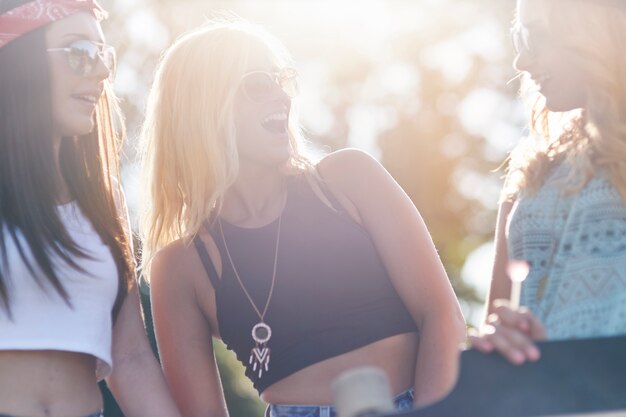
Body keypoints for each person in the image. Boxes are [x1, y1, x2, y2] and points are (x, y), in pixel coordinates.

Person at [139, 18, 466, 417]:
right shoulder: (180, 266)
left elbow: (442, 316)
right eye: (259, 83)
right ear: (203, 105)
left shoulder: (348, 179)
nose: (282, 96)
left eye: (283, 80)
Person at [0, 1, 181, 416]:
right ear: (16, 59)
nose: (101, 72)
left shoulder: (105, 199)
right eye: (80, 52)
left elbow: (132, 359)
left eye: (105, 56)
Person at [470, 0, 626, 364]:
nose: (520, 62)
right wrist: (502, 337)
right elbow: (497, 314)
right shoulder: (530, 171)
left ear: (591, 30)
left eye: (534, 37)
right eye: (517, 40)